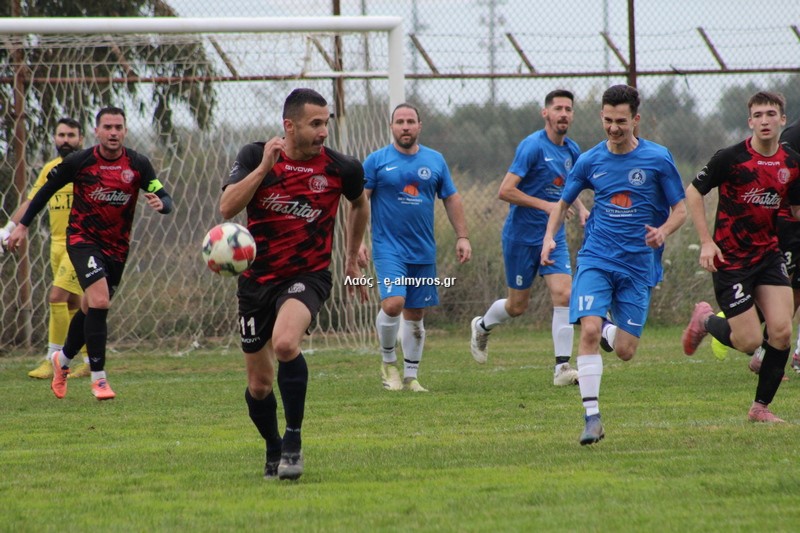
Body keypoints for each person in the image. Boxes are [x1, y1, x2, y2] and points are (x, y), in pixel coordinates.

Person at [220, 88, 369, 481]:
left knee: (286, 344)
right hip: (256, 282)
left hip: (308, 276)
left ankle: (293, 440)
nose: (323, 132)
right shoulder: (254, 156)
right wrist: (262, 169)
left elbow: (359, 204)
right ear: (289, 126)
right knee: (259, 385)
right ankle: (273, 446)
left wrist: (350, 257)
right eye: (315, 124)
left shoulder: (341, 167)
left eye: (326, 123)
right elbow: (227, 207)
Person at [541, 84, 687, 445]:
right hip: (597, 257)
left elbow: (680, 209)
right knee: (588, 330)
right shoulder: (590, 160)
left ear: (636, 119)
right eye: (608, 120)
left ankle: (608, 328)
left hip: (638, 265)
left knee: (625, 351)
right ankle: (592, 418)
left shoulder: (657, 159)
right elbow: (562, 203)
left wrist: (663, 231)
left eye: (621, 121)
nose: (613, 127)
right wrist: (548, 238)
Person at [6, 106, 174, 401]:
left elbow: (163, 195)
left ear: (125, 131)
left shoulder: (138, 164)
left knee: (88, 307)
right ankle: (99, 378)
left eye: (118, 127)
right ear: (96, 131)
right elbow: (45, 192)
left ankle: (62, 360)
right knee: (100, 301)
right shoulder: (79, 161)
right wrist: (21, 226)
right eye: (107, 127)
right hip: (82, 241)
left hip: (117, 248)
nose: (113, 132)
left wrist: (163, 204)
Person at [681, 91, 800, 423]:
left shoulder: (791, 163)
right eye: (758, 115)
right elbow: (693, 192)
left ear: (782, 120)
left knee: (781, 331)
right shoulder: (731, 158)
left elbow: (795, 209)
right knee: (749, 341)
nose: (765, 120)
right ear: (750, 122)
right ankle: (706, 320)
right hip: (731, 260)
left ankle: (760, 408)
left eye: (771, 114)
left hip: (769, 255)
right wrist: (706, 242)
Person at [469, 89, 588, 386]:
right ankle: (482, 326)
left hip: (554, 237)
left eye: (568, 109)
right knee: (517, 307)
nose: (563, 114)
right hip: (521, 238)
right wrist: (546, 206)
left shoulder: (572, 150)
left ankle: (562, 368)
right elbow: (505, 190)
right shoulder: (532, 147)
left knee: (564, 294)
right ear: (545, 113)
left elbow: (570, 186)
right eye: (558, 108)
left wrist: (581, 209)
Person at [361, 103, 471, 393]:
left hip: (422, 249)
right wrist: (358, 241)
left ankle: (411, 376)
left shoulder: (435, 160)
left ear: (419, 126)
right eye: (400, 121)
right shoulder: (376, 161)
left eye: (410, 121)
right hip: (388, 247)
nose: (405, 126)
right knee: (393, 303)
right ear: (392, 127)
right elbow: (360, 202)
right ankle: (388, 363)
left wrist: (462, 236)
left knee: (415, 313)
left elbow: (451, 198)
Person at [0, 118, 92, 379]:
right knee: (74, 303)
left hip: (80, 243)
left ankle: (53, 361)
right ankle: (89, 360)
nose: (65, 140)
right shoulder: (51, 169)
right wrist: (8, 228)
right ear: (54, 139)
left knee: (56, 297)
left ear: (81, 139)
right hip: (56, 245)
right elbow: (33, 201)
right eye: (61, 135)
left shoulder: (89, 168)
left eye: (71, 135)